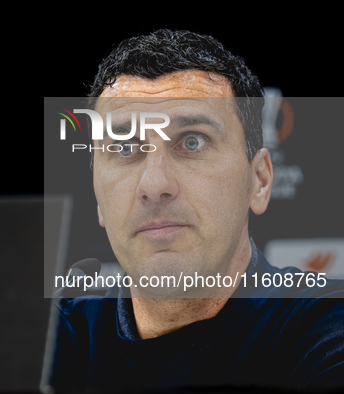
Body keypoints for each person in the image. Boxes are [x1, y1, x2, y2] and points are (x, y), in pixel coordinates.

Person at [50, 29, 344, 391]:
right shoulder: (52, 344)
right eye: (125, 149)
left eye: (192, 141)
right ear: (97, 197)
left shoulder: (326, 328)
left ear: (260, 181)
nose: (154, 185)